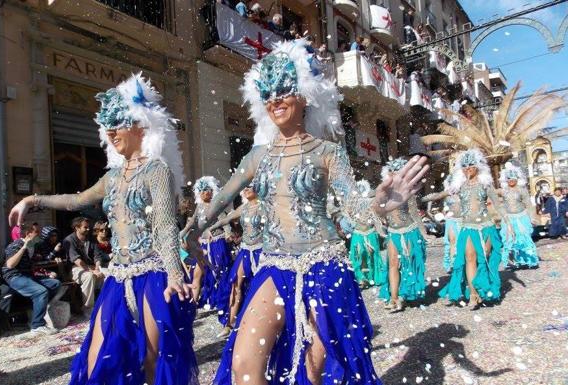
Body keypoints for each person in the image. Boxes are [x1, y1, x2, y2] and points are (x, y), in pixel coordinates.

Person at [183, 39, 428, 385]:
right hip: (274, 265)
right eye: (268, 94)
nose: (275, 100)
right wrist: (193, 230)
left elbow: (355, 211)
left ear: (305, 94)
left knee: (311, 374)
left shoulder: (329, 152)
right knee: (244, 367)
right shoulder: (257, 156)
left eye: (284, 90)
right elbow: (221, 199)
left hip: (323, 265)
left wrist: (380, 202)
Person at [8, 73, 197, 385]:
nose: (111, 131)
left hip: (152, 275)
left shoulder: (157, 170)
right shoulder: (112, 177)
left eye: (119, 122)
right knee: (98, 358)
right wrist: (32, 199)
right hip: (118, 277)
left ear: (140, 124)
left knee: (153, 361)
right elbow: (76, 200)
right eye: (107, 125)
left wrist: (176, 275)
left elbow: (165, 225)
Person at [439, 149, 511, 309]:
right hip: (468, 227)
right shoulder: (459, 186)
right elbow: (440, 195)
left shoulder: (486, 184)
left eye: (471, 165)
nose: (468, 168)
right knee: (468, 258)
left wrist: (509, 223)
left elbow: (498, 205)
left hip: (486, 226)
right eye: (464, 166)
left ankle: (484, 287)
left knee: (483, 257)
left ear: (478, 166)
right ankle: (473, 294)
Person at [207, 185, 263, 338]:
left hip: (261, 251)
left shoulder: (265, 206)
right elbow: (226, 219)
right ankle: (230, 324)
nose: (247, 189)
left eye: (250, 186)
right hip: (245, 251)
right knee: (235, 284)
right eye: (245, 188)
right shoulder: (243, 208)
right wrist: (210, 227)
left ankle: (259, 321)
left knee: (259, 286)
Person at [378, 158, 429, 312]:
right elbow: (377, 211)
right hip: (393, 233)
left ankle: (404, 294)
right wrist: (380, 226)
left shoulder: (407, 191)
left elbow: (414, 213)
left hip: (409, 231)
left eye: (398, 174)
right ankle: (394, 298)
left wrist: (423, 233)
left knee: (408, 264)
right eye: (392, 174)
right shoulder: (383, 192)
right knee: (393, 264)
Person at [181, 176, 233, 325]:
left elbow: (224, 220)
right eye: (202, 191)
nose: (205, 193)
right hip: (202, 246)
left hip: (217, 244)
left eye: (207, 190)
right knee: (197, 274)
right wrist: (183, 232)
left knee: (219, 273)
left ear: (212, 191)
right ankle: (192, 308)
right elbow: (192, 222)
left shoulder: (216, 205)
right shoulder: (199, 207)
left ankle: (224, 302)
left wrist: (228, 232)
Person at [2, 223, 61, 336]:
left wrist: (47, 273)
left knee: (55, 284)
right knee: (41, 291)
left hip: (27, 276)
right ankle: (37, 325)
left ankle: (34, 313)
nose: (39, 235)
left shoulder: (33, 246)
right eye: (36, 232)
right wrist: (23, 248)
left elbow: (34, 264)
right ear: (28, 234)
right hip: (14, 277)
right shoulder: (16, 245)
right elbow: (10, 264)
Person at [62, 217, 107, 317]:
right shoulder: (69, 240)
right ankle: (88, 307)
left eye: (88, 227)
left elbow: (97, 256)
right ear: (77, 228)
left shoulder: (90, 239)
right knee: (89, 276)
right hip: (75, 268)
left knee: (108, 274)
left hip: (90, 266)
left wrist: (97, 267)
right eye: (85, 227)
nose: (88, 229)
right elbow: (77, 261)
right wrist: (93, 271)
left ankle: (106, 302)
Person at [346, 180, 387, 288]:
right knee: (358, 256)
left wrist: (381, 231)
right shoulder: (352, 202)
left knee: (371, 255)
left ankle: (372, 277)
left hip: (370, 233)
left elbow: (377, 217)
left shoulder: (372, 201)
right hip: (358, 233)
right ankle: (361, 278)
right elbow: (347, 214)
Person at [498, 163, 539, 268]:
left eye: (513, 178)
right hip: (508, 219)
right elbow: (492, 194)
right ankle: (515, 262)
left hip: (522, 218)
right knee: (510, 240)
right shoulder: (503, 191)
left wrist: (532, 217)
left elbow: (528, 205)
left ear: (517, 179)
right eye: (509, 178)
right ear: (505, 180)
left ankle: (529, 260)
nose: (511, 180)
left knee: (524, 238)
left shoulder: (522, 190)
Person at [422, 173, 463, 272]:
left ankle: (462, 262)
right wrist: (422, 200)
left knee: (462, 242)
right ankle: (453, 264)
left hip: (463, 220)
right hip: (451, 220)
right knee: (452, 241)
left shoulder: (464, 191)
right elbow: (436, 196)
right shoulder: (447, 193)